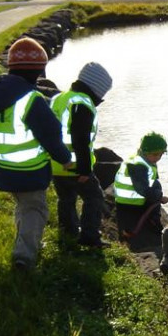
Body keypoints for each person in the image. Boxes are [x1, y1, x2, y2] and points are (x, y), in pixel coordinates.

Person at [0, 37, 74, 270]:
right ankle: (24, 256)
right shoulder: (32, 100)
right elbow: (50, 135)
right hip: (30, 171)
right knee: (36, 209)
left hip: (1, 169)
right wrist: (65, 159)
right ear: (36, 72)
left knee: (23, 206)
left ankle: (25, 243)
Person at [50, 62, 113, 249]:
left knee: (66, 199)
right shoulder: (82, 103)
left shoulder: (60, 98)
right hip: (76, 165)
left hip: (56, 163)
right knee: (94, 198)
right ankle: (89, 236)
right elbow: (80, 138)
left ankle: (68, 233)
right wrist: (85, 168)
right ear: (96, 89)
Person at [113, 132, 168, 240]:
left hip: (133, 200)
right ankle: (152, 223)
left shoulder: (145, 160)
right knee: (155, 195)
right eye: (154, 154)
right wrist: (159, 197)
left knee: (156, 185)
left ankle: (150, 222)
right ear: (145, 151)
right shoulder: (137, 165)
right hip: (128, 203)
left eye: (161, 154)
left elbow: (152, 181)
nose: (158, 157)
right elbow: (142, 188)